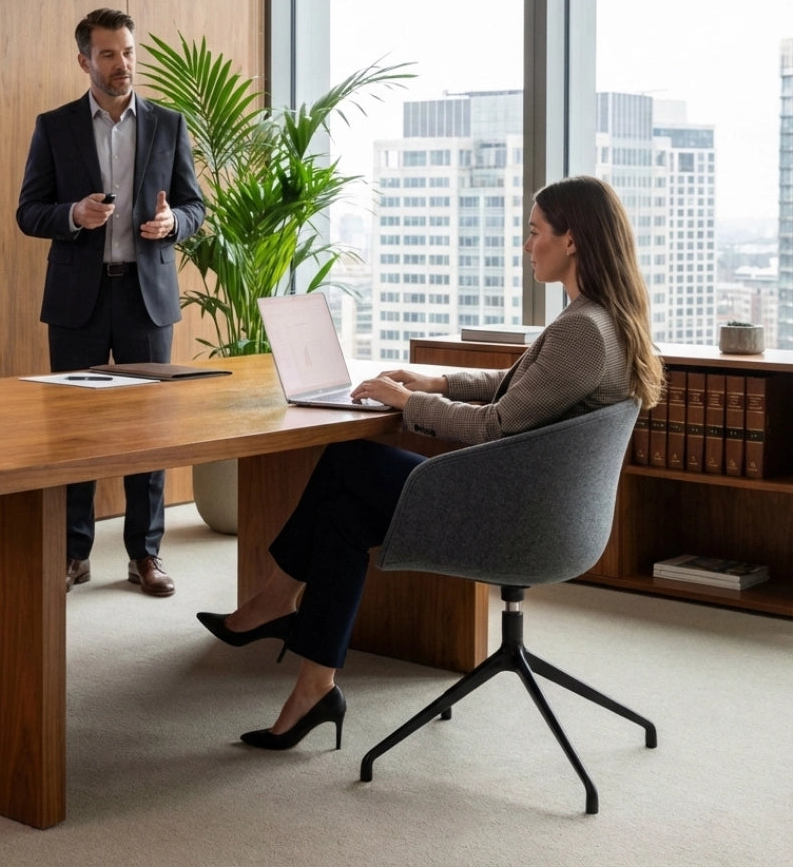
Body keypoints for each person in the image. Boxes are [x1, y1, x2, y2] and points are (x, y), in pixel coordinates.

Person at [197, 174, 664, 748]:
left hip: (520, 519)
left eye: (534, 231)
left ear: (571, 240)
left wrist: (407, 403)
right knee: (344, 513)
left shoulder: (583, 331)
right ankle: (314, 685)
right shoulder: (600, 320)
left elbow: (496, 425)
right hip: (540, 508)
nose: (526, 245)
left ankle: (274, 602)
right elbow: (518, 384)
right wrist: (437, 381)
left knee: (347, 464)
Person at [17, 8, 205, 598]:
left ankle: (145, 554)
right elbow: (28, 211)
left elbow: (195, 207)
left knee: (148, 431)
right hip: (79, 298)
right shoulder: (55, 126)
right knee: (72, 431)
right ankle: (73, 553)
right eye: (108, 54)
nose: (122, 64)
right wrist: (73, 214)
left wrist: (174, 223)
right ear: (84, 61)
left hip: (146, 297)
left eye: (127, 52)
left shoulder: (169, 124)